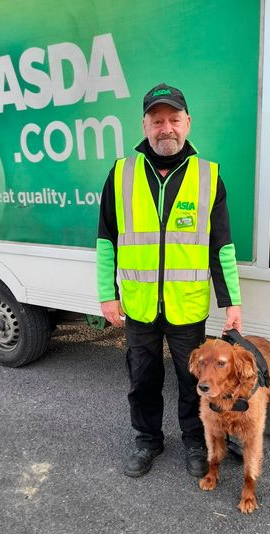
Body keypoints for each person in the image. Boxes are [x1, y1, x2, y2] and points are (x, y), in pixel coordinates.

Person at [96, 82, 242, 479]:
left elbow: (221, 246)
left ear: (188, 123)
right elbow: (107, 239)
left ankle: (197, 441)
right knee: (142, 378)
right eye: (157, 120)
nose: (166, 128)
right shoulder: (121, 174)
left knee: (195, 380)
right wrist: (108, 296)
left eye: (173, 119)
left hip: (187, 305)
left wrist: (233, 302)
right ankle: (147, 441)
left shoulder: (209, 176)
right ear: (144, 125)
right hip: (140, 305)